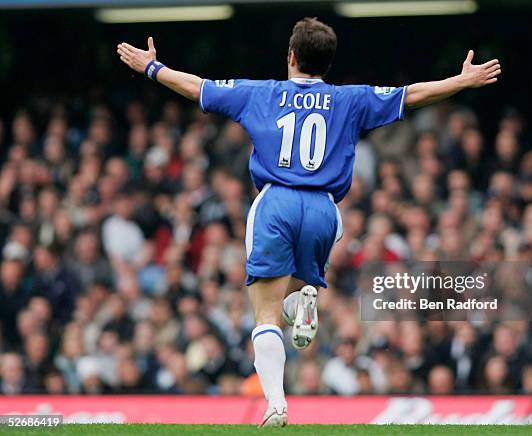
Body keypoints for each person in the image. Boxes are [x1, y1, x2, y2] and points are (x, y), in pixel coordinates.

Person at [116, 17, 501, 426]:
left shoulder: (262, 94)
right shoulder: (350, 99)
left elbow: (197, 86)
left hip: (276, 202)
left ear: (292, 56)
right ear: (328, 64)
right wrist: (460, 81)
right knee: (293, 292)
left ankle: (277, 403)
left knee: (264, 315)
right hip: (325, 210)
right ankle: (301, 299)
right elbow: (411, 95)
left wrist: (152, 68)